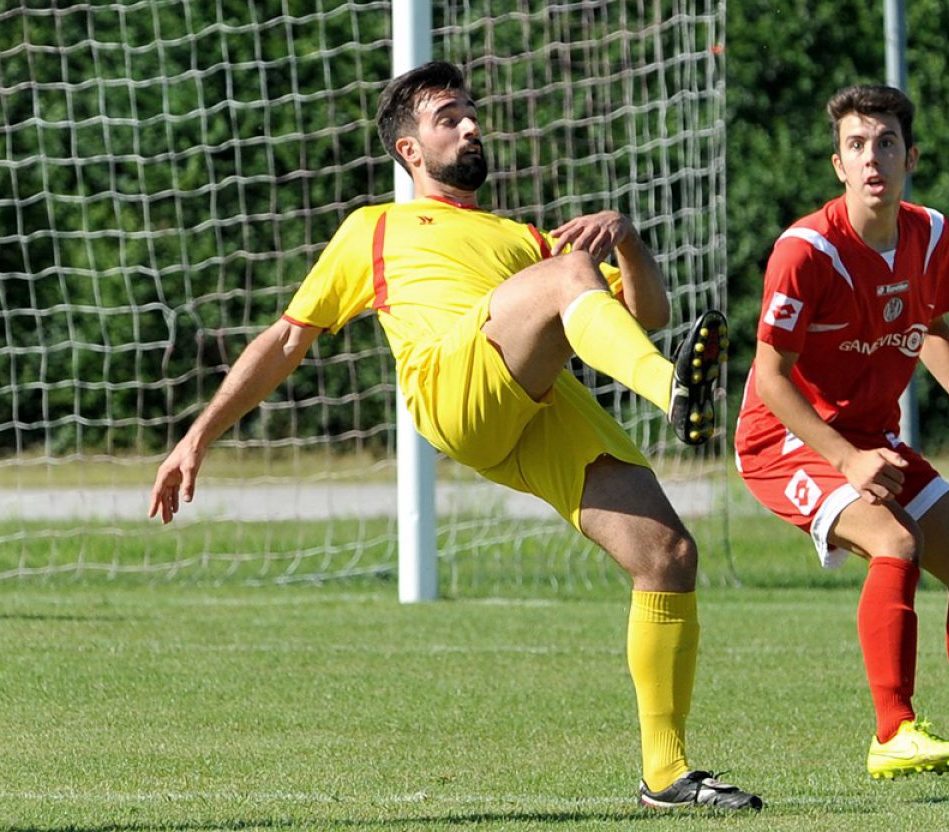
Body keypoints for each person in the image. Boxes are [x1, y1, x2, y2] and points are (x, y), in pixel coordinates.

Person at [149, 60, 762, 812]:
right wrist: (198, 437)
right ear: (409, 151)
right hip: (451, 386)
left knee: (667, 555)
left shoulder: (524, 238)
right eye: (449, 117)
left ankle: (666, 774)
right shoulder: (372, 228)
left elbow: (647, 313)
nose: (471, 124)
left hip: (533, 404)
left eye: (471, 112)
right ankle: (674, 391)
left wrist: (628, 240)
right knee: (572, 275)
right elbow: (285, 341)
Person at [733, 84, 949, 779]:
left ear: (910, 155)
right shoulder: (806, 251)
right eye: (856, 145)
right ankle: (893, 733)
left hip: (868, 438)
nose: (871, 157)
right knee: (895, 540)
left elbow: (933, 324)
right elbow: (770, 380)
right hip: (784, 440)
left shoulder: (931, 232)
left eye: (885, 142)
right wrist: (846, 458)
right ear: (837, 165)